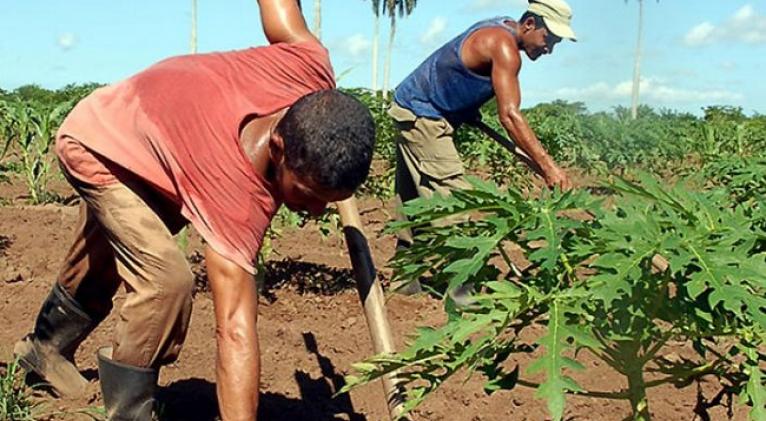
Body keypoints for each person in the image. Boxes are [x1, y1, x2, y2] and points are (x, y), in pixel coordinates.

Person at [13, 1, 375, 419]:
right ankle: (130, 412)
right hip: (98, 141)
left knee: (111, 251)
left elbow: (282, 15)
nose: (315, 211)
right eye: (309, 193)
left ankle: (44, 350)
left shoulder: (309, 69)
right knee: (165, 281)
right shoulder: (235, 198)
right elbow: (235, 330)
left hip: (156, 139)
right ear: (278, 147)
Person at [389, 0, 576, 293]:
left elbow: (458, 70)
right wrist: (549, 166)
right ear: (529, 24)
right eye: (547, 38)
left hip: (413, 107)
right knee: (454, 199)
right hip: (424, 115)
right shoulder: (503, 47)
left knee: (415, 201)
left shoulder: (500, 26)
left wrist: (465, 105)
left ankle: (405, 281)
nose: (549, 48)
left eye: (555, 43)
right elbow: (511, 116)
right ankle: (461, 289)